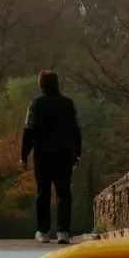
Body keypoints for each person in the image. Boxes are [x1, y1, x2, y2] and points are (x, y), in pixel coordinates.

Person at [20, 70, 82, 245]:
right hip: (64, 153)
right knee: (64, 192)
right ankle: (63, 232)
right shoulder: (69, 104)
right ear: (57, 84)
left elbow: (29, 130)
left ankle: (44, 231)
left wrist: (24, 155)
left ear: (41, 85)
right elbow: (77, 130)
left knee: (43, 192)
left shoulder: (35, 104)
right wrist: (77, 153)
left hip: (43, 154)